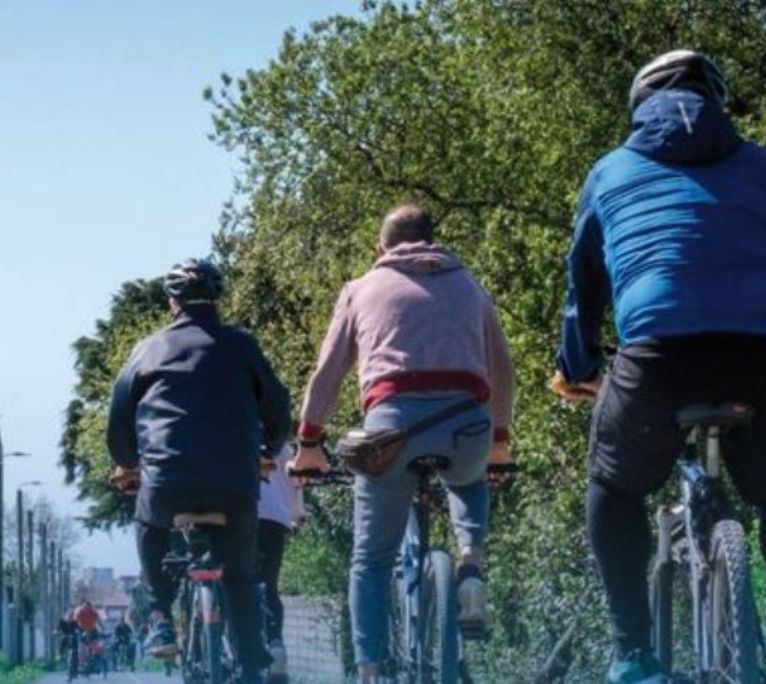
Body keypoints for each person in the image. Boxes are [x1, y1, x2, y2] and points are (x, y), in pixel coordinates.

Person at [551, 50, 766, 683]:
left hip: (658, 358)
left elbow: (582, 285)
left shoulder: (611, 170)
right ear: (718, 102)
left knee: (615, 490)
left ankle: (633, 656)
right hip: (765, 356)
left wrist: (579, 363)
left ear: (637, 105)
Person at [289, 204, 514, 684]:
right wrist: (499, 439)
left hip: (392, 431)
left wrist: (309, 442)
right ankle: (469, 562)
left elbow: (328, 374)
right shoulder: (473, 288)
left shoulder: (361, 289)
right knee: (471, 475)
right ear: (433, 240)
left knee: (371, 559)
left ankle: (371, 669)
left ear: (381, 247)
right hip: (466, 423)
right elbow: (503, 370)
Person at [106, 258, 291, 684]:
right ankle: (249, 665)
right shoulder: (242, 347)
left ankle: (159, 618)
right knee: (241, 576)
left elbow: (119, 420)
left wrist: (128, 462)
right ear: (219, 300)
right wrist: (269, 449)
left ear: (172, 302)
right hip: (234, 484)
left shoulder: (147, 349)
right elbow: (277, 407)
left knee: (149, 523)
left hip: (168, 483)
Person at [258, 441, 305, 682]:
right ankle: (275, 642)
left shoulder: (220, 421)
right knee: (268, 585)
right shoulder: (273, 432)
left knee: (234, 583)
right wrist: (297, 514)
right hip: (272, 519)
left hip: (233, 513)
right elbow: (292, 479)